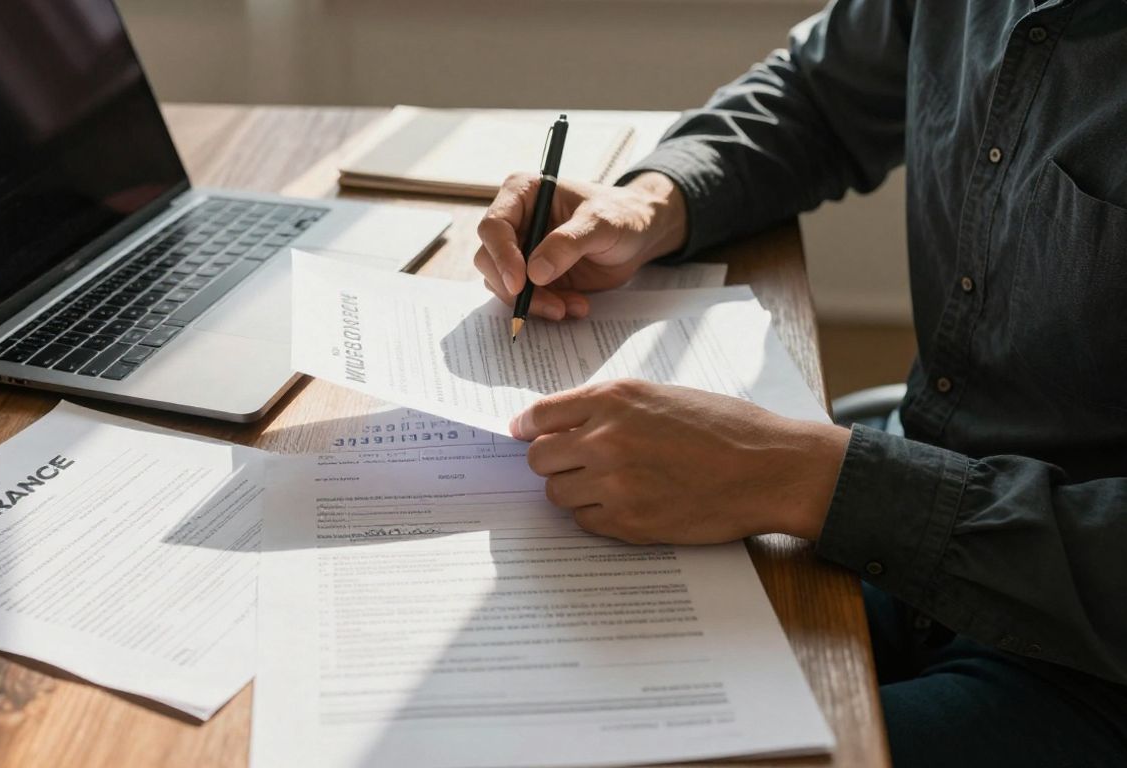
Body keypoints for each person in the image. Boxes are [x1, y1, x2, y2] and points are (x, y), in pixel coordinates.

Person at [472, 1, 1127, 765]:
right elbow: (819, 96)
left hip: (1088, 659)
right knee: (550, 689)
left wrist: (810, 477)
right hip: (922, 493)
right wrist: (649, 204)